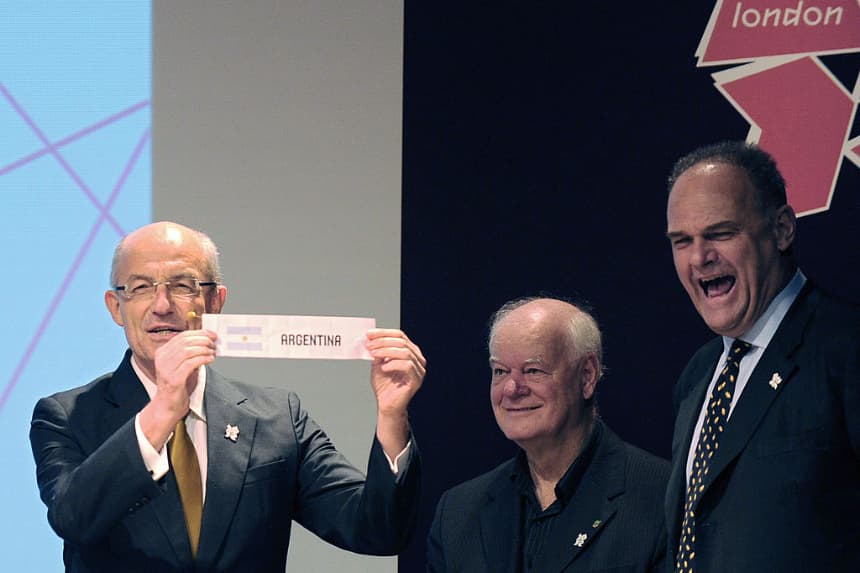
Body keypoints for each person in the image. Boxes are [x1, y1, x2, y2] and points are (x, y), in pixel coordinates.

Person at [29, 221, 426, 573]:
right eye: (141, 288)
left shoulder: (278, 418)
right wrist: (164, 409)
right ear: (116, 307)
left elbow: (378, 531)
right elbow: (74, 518)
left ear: (215, 302)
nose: (162, 305)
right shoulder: (66, 416)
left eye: (183, 286)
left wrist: (392, 416)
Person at [664, 141, 860, 572]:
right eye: (682, 241)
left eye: (721, 233)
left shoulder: (846, 349)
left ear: (783, 229)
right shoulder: (697, 376)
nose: (700, 257)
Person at [427, 297, 669, 573]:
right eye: (500, 371)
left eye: (533, 370)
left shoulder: (662, 497)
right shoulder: (458, 514)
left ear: (587, 375)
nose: (511, 388)